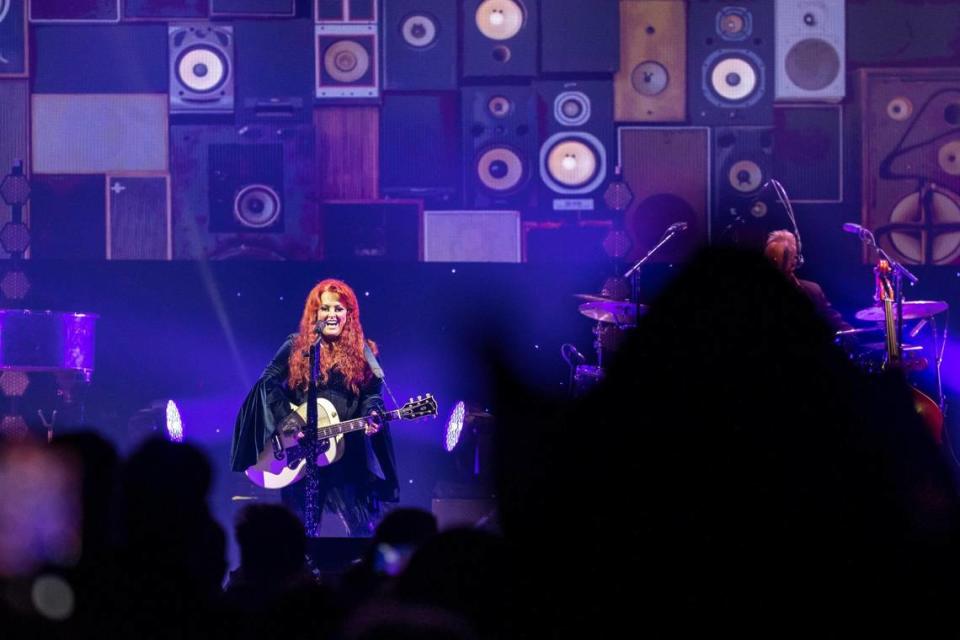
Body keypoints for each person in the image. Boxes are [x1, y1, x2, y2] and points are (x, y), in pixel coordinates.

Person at [230, 279, 398, 537]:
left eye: (339, 309)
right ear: (315, 313)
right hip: (301, 452)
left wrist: (372, 413)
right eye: (326, 308)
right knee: (297, 535)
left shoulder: (365, 352)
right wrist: (290, 422)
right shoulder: (296, 345)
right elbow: (267, 383)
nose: (332, 315)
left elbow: (371, 395)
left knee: (363, 532)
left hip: (348, 454)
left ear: (349, 315)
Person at [763, 229, 852, 333]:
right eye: (770, 260)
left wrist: (849, 332)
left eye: (777, 261)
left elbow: (835, 322)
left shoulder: (812, 291)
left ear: (794, 262)